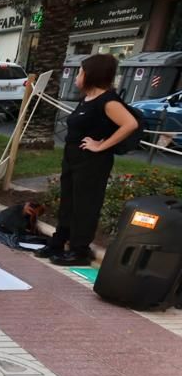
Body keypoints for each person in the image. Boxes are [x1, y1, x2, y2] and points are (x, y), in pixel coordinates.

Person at [35, 54, 138, 266]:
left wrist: (101, 145)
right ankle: (60, 240)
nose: (76, 76)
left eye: (81, 72)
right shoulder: (87, 98)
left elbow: (130, 124)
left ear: (92, 75)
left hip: (92, 161)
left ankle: (79, 250)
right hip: (73, 157)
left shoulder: (108, 100)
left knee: (85, 205)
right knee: (68, 201)